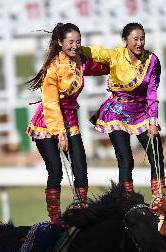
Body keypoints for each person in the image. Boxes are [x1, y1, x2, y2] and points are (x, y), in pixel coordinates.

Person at [80, 22, 166, 216]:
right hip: (117, 113)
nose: (139, 43)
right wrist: (73, 47)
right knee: (125, 158)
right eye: (135, 39)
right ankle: (127, 201)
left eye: (142, 38)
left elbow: (152, 91)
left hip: (142, 113)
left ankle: (158, 199)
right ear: (125, 40)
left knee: (156, 154)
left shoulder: (152, 61)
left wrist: (153, 120)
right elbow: (95, 52)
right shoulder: (115, 56)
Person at [26, 23, 109, 225]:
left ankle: (81, 209)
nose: (75, 46)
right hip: (47, 123)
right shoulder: (53, 68)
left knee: (80, 164)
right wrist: (60, 134)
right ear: (60, 43)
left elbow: (99, 66)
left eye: (78, 41)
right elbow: (51, 103)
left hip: (70, 119)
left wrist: (122, 63)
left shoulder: (79, 61)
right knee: (56, 169)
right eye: (70, 42)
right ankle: (55, 218)